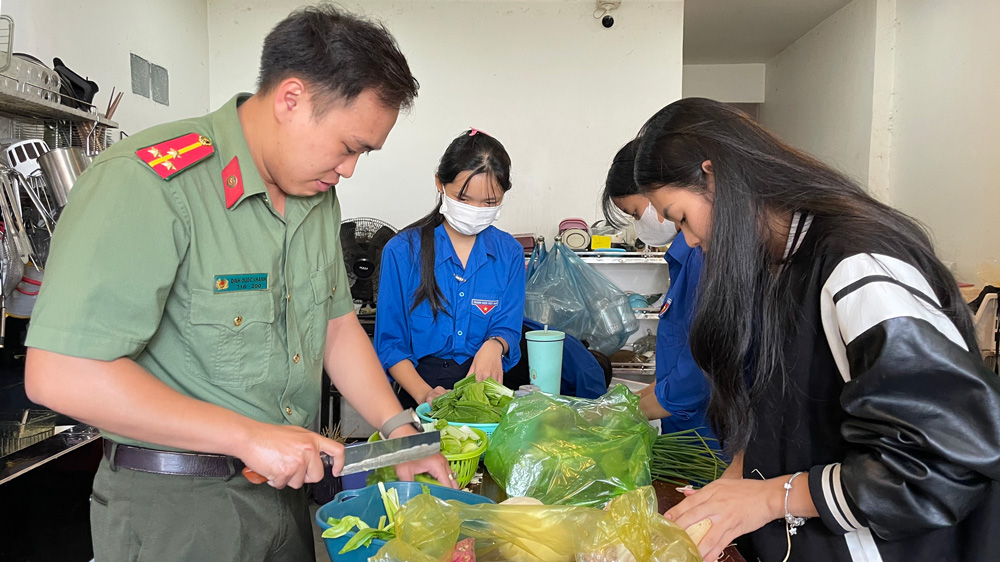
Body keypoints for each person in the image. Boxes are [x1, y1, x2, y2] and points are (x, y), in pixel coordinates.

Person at [23, 6, 454, 562]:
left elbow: (336, 325)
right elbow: (60, 373)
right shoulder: (149, 183)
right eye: (349, 146)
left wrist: (397, 429)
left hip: (283, 500)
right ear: (291, 99)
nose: (350, 170)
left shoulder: (315, 195)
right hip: (176, 514)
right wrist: (247, 437)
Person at [633, 98, 1000, 562]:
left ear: (716, 174)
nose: (688, 240)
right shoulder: (780, 266)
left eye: (682, 217)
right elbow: (778, 403)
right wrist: (736, 482)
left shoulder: (856, 266)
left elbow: (937, 464)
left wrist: (768, 498)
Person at [375, 129, 525, 409]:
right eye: (464, 199)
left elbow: (508, 326)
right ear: (440, 185)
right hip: (418, 391)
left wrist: (495, 346)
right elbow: (390, 344)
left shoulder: (510, 254)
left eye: (489, 202)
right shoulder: (402, 252)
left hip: (485, 392)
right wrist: (425, 395)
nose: (476, 209)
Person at [601, 140, 719, 450]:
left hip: (708, 436)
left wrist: (617, 416)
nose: (653, 220)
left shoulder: (703, 255)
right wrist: (617, 408)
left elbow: (697, 377)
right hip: (684, 431)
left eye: (637, 212)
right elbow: (677, 368)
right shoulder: (685, 255)